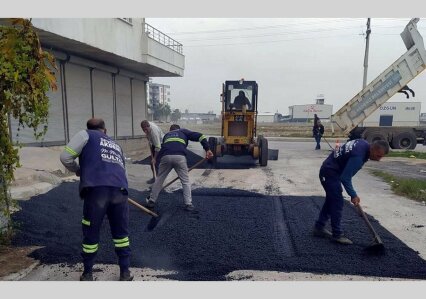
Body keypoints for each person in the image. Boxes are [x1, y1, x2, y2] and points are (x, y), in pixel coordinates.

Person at [60, 118, 133, 281]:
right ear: (104, 130)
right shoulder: (116, 145)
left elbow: (65, 157)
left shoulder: (85, 135)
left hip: (97, 192)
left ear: (89, 128)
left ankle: (87, 273)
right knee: (121, 234)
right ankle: (125, 272)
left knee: (91, 232)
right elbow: (124, 172)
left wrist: (78, 170)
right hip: (120, 191)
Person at [313, 139, 389, 245]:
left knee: (332, 200)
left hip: (331, 170)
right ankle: (337, 235)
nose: (379, 159)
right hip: (329, 172)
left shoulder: (364, 144)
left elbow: (345, 173)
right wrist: (353, 195)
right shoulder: (359, 156)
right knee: (337, 202)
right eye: (378, 156)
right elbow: (345, 178)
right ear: (373, 149)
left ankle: (319, 227)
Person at [145, 124, 214, 212]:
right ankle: (188, 204)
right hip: (180, 157)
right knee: (185, 181)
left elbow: (161, 149)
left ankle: (151, 201)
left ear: (170, 130)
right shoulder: (183, 131)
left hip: (166, 157)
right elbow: (201, 136)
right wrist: (207, 149)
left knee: (159, 179)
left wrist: (155, 160)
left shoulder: (166, 135)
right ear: (179, 129)